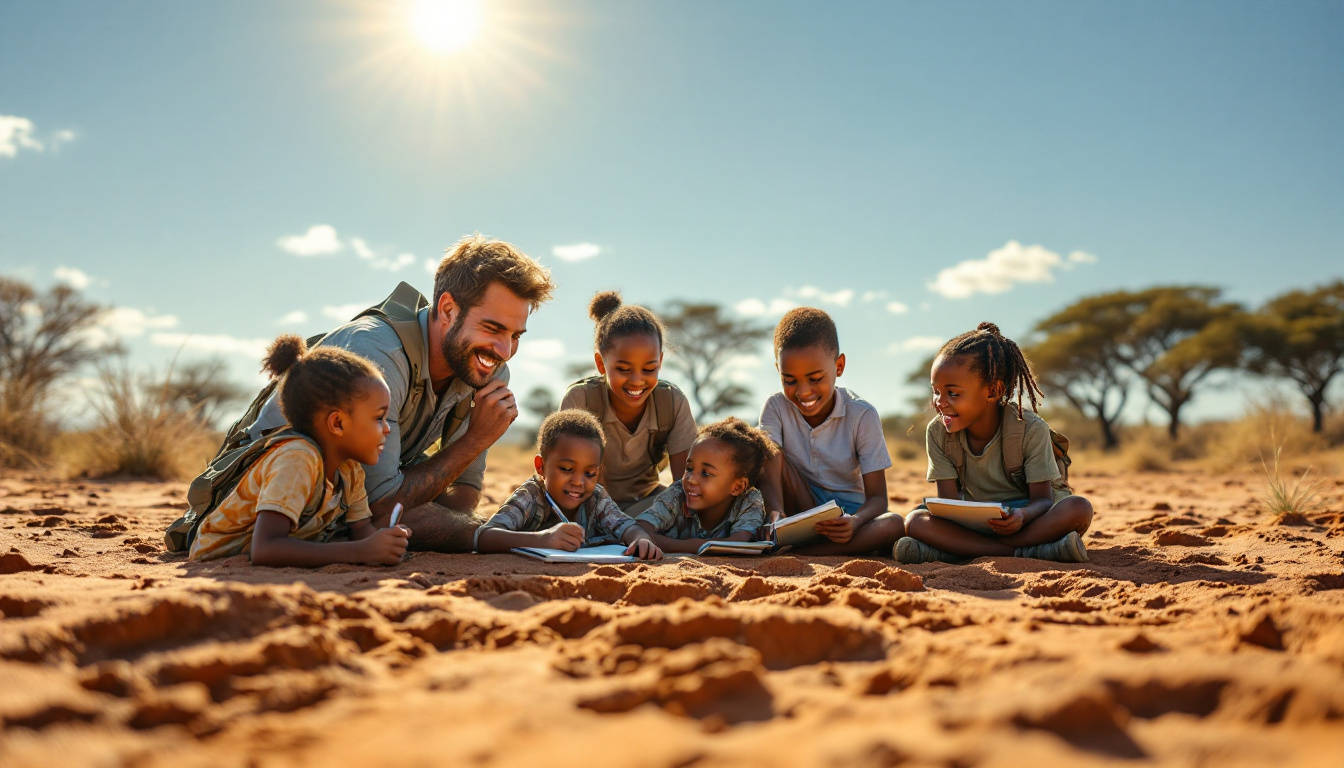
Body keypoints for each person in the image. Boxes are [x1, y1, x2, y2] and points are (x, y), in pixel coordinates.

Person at [244, 234, 555, 552]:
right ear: (447, 310)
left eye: (516, 335)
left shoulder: (482, 365)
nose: (504, 350)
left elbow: (464, 491)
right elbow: (382, 505)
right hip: (269, 503)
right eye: (492, 328)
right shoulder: (380, 354)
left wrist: (435, 515)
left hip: (352, 496)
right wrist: (475, 440)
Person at [190, 336, 410, 565]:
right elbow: (265, 549)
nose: (387, 429)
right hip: (216, 557)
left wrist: (385, 542)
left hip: (277, 548)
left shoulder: (350, 470)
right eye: (378, 418)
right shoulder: (297, 459)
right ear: (338, 424)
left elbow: (362, 531)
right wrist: (361, 552)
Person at [896, 322, 1094, 564]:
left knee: (1078, 508)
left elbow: (1042, 500)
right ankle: (1030, 552)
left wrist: (1021, 516)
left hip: (1028, 520)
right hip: (975, 522)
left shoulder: (1030, 428)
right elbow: (948, 506)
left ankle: (958, 551)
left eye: (953, 393)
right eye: (936, 391)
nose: (940, 402)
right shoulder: (938, 432)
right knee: (915, 522)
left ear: (992, 391)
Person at [758, 307, 906, 555]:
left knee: (894, 524)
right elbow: (771, 468)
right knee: (767, 452)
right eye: (790, 380)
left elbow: (879, 499)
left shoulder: (862, 415)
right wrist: (775, 512)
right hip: (799, 508)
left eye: (815, 378)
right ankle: (804, 544)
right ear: (778, 371)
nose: (803, 392)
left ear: (839, 366)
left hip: (847, 516)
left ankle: (800, 552)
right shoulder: (775, 407)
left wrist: (855, 522)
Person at [559, 291, 698, 516]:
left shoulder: (672, 402)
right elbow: (562, 479)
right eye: (623, 369)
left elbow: (684, 486)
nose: (636, 380)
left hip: (647, 505)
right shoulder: (581, 400)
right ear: (600, 364)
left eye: (649, 369)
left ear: (660, 361)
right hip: (586, 507)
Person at [474, 410, 663, 560]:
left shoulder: (596, 498)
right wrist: (543, 539)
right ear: (541, 467)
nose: (578, 482)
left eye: (590, 473)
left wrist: (641, 539)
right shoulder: (531, 495)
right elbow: (484, 537)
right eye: (566, 469)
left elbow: (627, 527)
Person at [634, 417, 774, 553]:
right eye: (689, 469)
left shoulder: (749, 500)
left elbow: (740, 543)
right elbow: (641, 530)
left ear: (737, 487)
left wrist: (672, 544)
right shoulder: (677, 494)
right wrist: (698, 546)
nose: (691, 479)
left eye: (706, 473)